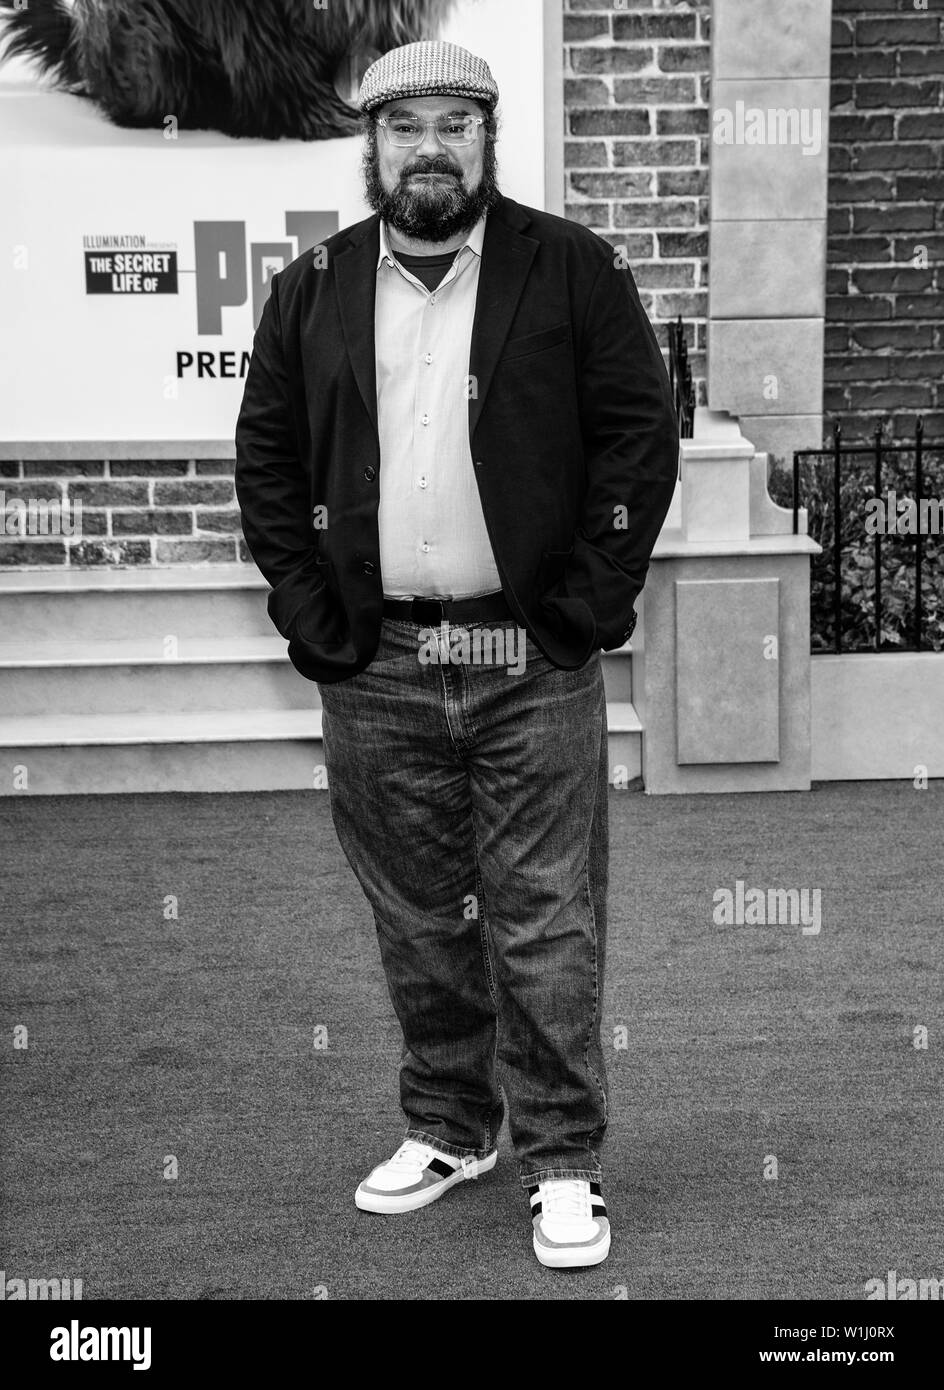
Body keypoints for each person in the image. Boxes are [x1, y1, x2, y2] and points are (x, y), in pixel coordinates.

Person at [235, 40, 679, 1269]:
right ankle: (448, 1125)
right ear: (369, 147)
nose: (428, 147)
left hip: (527, 656)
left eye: (453, 123)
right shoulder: (313, 286)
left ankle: (563, 1161)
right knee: (420, 918)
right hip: (375, 664)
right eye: (402, 125)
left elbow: (637, 443)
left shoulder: (570, 269)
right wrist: (310, 616)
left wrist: (583, 605)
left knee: (543, 917)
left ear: (488, 138)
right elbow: (266, 462)